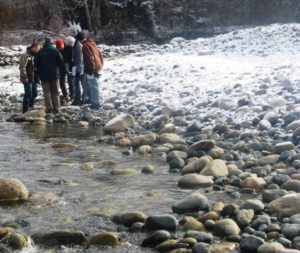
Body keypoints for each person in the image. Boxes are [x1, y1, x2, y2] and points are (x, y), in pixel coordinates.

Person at [35, 37, 64, 114]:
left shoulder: (40, 51)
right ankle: (57, 108)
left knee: (46, 92)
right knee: (55, 92)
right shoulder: (56, 50)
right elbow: (61, 62)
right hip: (54, 75)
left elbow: (36, 63)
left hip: (43, 75)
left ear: (45, 43)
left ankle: (49, 108)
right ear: (52, 43)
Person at [76, 32, 104, 109]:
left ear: (78, 39)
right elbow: (100, 55)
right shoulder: (92, 43)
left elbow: (89, 58)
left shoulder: (85, 46)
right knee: (86, 83)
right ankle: (88, 100)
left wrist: (91, 69)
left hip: (91, 68)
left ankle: (95, 103)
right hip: (97, 66)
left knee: (93, 85)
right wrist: (100, 65)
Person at [19, 42, 40, 113]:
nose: (39, 49)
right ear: (34, 48)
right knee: (28, 93)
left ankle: (31, 107)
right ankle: (25, 111)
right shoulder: (25, 55)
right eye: (38, 48)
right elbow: (22, 67)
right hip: (27, 77)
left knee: (35, 93)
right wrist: (24, 77)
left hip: (34, 77)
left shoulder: (37, 55)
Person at [56, 38, 74, 103]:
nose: (60, 48)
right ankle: (65, 95)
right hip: (61, 67)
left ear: (63, 44)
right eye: (59, 47)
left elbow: (71, 58)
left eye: (61, 47)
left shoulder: (69, 48)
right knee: (61, 82)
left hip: (69, 66)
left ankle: (72, 95)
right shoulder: (57, 50)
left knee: (70, 81)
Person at [72, 35, 84, 105]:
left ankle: (81, 99)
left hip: (79, 68)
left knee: (81, 84)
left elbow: (80, 59)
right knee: (76, 84)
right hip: (76, 68)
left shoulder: (78, 46)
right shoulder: (75, 45)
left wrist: (78, 71)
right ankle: (78, 99)